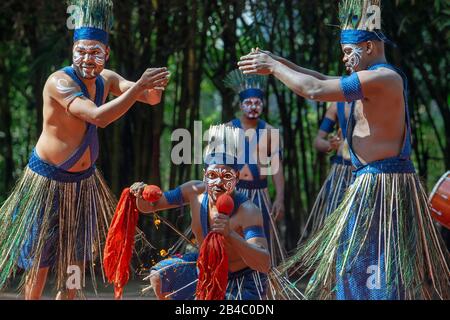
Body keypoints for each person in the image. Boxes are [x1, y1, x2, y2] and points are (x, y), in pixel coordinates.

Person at [238, 0, 449, 300]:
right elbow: (322, 79)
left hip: (382, 185)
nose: (344, 58)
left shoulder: (383, 78)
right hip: (374, 182)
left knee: (376, 264)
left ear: (369, 47)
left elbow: (314, 90)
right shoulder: (372, 79)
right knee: (356, 263)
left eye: (349, 52)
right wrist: (277, 59)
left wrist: (272, 68)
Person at [0, 0, 170, 300]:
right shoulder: (59, 82)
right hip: (48, 182)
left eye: (95, 52)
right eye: (81, 51)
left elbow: (152, 98)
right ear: (72, 50)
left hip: (83, 185)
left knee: (76, 258)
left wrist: (154, 85)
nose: (87, 58)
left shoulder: (107, 79)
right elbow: (98, 117)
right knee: (40, 259)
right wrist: (139, 86)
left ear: (107, 53)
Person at [131, 124, 270, 300]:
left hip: (242, 280)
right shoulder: (194, 191)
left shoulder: (248, 211)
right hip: (205, 267)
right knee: (160, 276)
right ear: (204, 175)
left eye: (226, 176)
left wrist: (231, 235)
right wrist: (141, 195)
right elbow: (149, 207)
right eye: (212, 176)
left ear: (236, 177)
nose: (219, 182)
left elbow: (264, 263)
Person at [224, 70, 286, 266]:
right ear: (240, 105)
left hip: (260, 194)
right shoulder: (228, 129)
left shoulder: (270, 132)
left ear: (263, 104)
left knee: (261, 239)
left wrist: (280, 198)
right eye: (248, 103)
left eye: (257, 102)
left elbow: (276, 168)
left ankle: (263, 284)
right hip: (234, 193)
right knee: (232, 238)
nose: (253, 106)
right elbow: (219, 166)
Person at [298, 102, 353, 244]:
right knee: (336, 217)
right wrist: (331, 145)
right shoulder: (337, 106)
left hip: (369, 169)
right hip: (341, 172)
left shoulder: (375, 96)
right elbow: (318, 141)